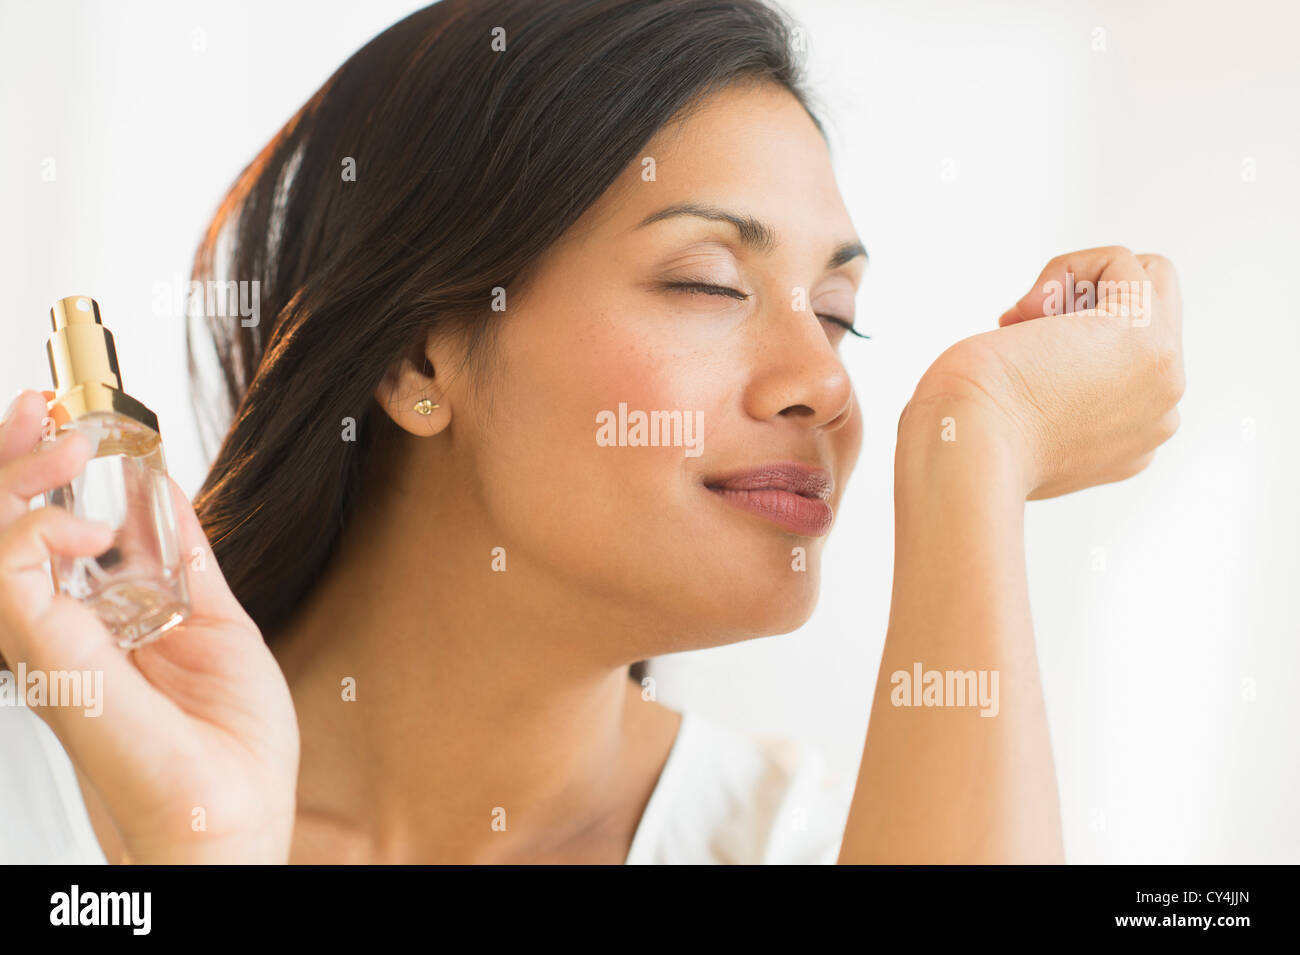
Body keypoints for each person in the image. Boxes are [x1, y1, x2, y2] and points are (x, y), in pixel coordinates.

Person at [0, 0, 1183, 864]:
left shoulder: (805, 843)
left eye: (838, 316)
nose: (822, 381)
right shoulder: (43, 800)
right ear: (419, 359)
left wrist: (973, 446)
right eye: (710, 284)